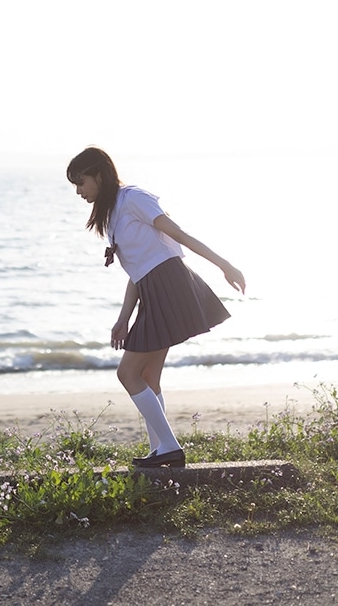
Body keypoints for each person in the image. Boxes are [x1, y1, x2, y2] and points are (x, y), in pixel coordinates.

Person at [67, 146, 246, 468]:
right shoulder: (111, 213)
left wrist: (225, 265)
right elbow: (137, 270)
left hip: (169, 283)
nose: (79, 191)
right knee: (148, 376)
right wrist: (123, 318)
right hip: (154, 287)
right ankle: (160, 450)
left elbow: (178, 234)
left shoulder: (133, 198)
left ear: (99, 175)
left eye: (81, 183)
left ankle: (169, 447)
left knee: (127, 373)